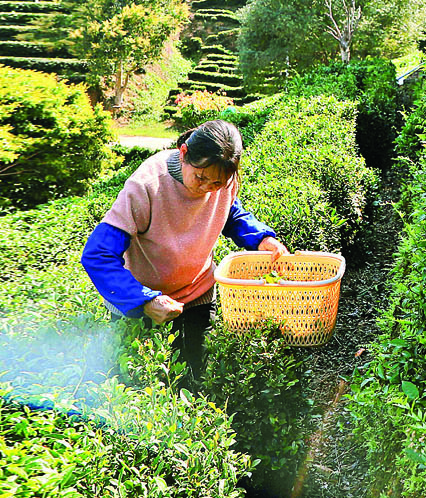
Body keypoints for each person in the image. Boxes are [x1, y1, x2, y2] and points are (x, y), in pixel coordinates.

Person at [80, 120, 286, 385]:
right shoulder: (147, 187)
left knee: (196, 379)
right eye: (200, 178)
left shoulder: (224, 180)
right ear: (184, 153)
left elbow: (230, 211)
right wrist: (144, 300)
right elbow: (98, 255)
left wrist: (261, 239)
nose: (207, 189)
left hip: (197, 293)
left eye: (217, 183)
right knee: (141, 387)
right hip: (142, 301)